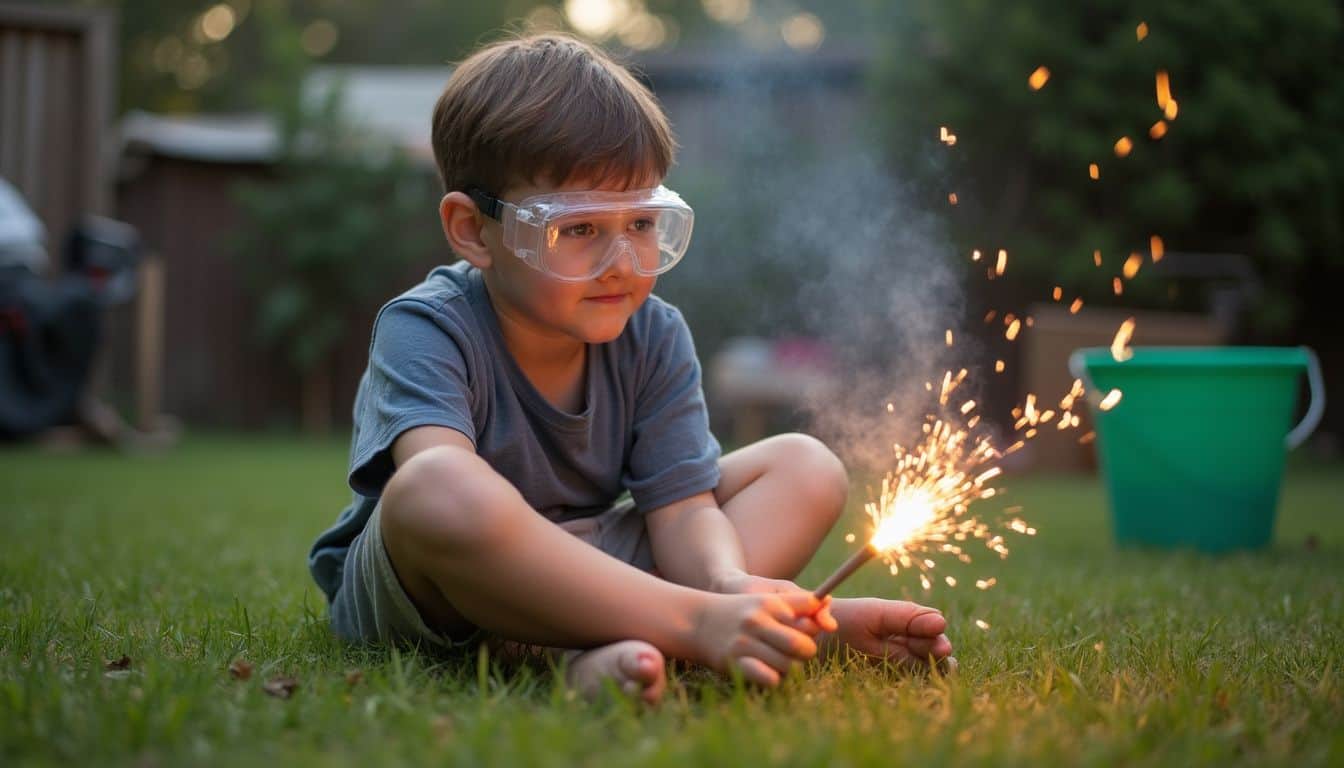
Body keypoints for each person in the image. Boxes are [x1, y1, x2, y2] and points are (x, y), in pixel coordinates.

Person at [308, 32, 954, 705]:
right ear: (473, 230)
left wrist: (728, 582)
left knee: (805, 466)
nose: (621, 262)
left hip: (601, 572)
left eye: (643, 223)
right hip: (441, 598)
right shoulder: (427, 326)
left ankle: (710, 628)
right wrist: (700, 613)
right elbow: (440, 495)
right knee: (433, 482)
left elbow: (681, 512)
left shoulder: (652, 333)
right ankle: (695, 630)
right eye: (579, 229)